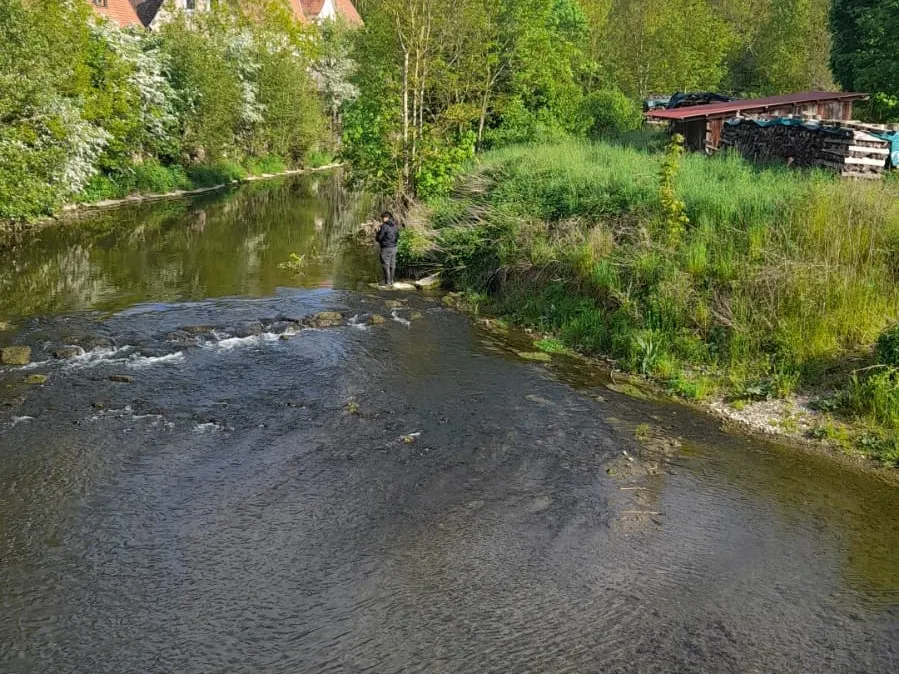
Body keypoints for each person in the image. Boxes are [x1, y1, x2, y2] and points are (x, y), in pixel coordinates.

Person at [375, 211, 400, 286]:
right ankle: (392, 281)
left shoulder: (384, 226)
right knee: (392, 265)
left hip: (386, 248)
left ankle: (387, 282)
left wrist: (377, 232)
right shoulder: (395, 225)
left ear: (386, 218)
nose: (382, 219)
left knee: (386, 265)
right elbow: (398, 236)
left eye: (382, 218)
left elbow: (379, 238)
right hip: (394, 247)